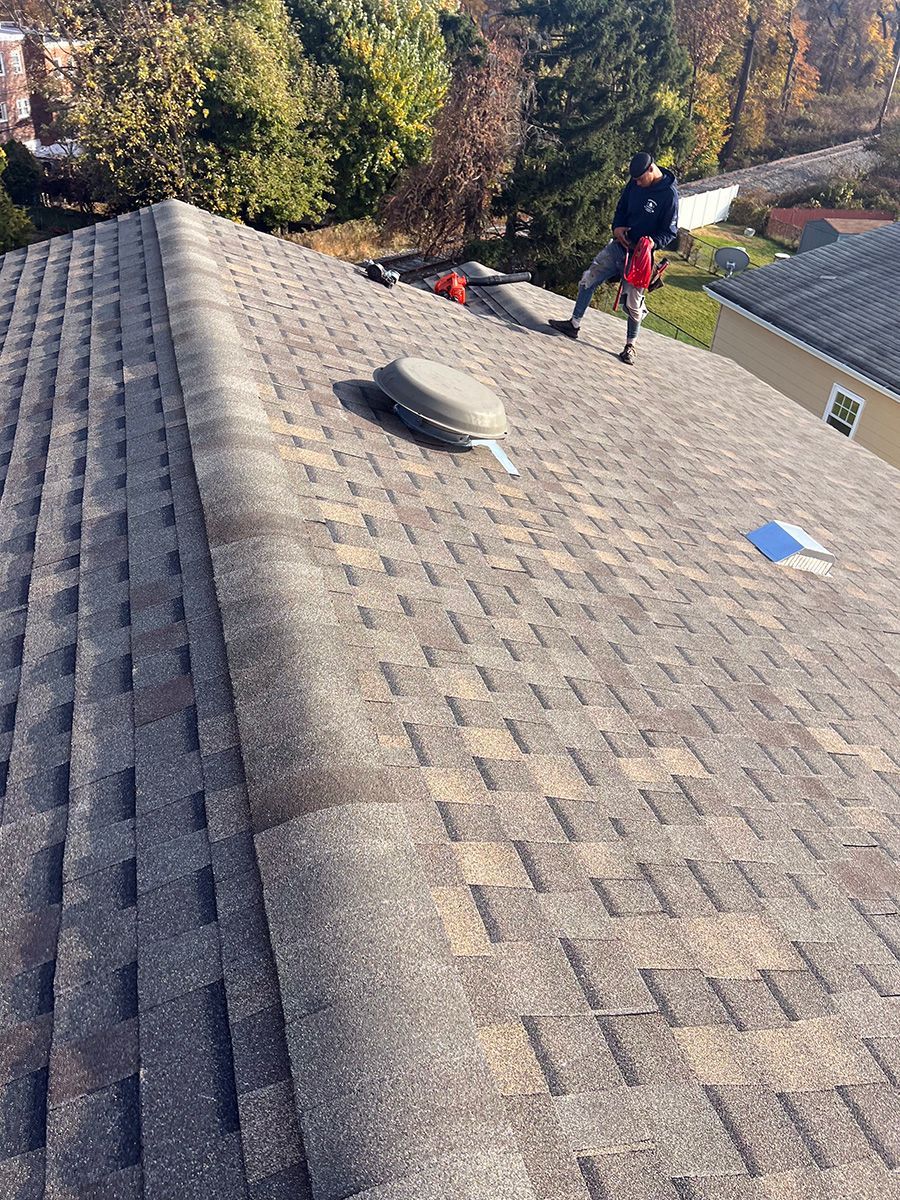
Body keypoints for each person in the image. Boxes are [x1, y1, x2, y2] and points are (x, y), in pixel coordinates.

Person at [549, 152, 679, 365]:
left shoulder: (669, 195)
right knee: (589, 278)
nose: (636, 183)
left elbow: (670, 232)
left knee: (633, 303)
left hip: (640, 257)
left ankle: (630, 346)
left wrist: (652, 242)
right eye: (634, 180)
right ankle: (573, 324)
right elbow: (621, 208)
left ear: (651, 170)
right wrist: (617, 228)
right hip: (619, 246)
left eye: (639, 179)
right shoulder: (634, 183)